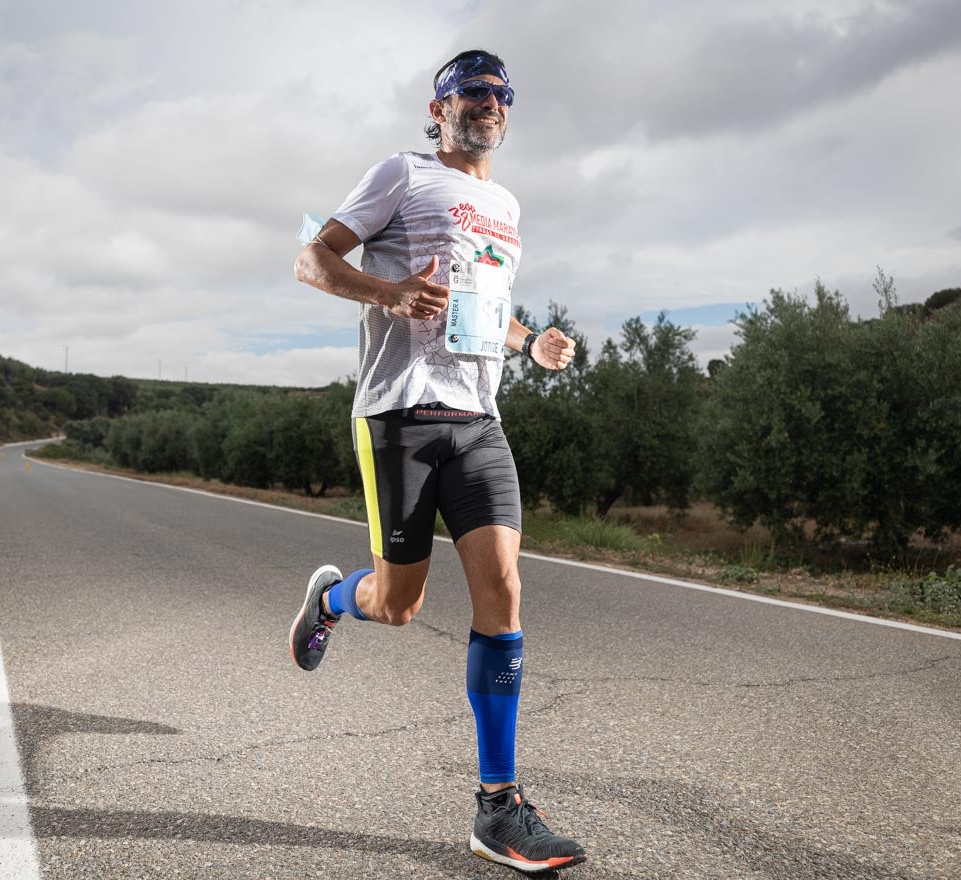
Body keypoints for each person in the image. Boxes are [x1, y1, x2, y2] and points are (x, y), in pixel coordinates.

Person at [289, 48, 586, 874]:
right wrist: (388, 293)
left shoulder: (506, 204)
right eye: (472, 91)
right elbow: (313, 261)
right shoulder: (402, 175)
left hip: (479, 419)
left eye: (500, 93)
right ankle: (336, 597)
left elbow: (489, 307)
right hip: (398, 415)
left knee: (503, 588)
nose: (488, 102)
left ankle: (498, 808)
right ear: (440, 106)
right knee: (399, 605)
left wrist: (533, 342)